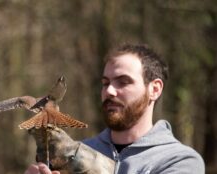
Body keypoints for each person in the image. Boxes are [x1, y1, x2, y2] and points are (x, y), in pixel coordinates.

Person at [25, 44, 205, 174]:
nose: (109, 91)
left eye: (123, 82)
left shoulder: (181, 161)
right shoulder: (77, 152)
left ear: (154, 89)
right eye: (105, 83)